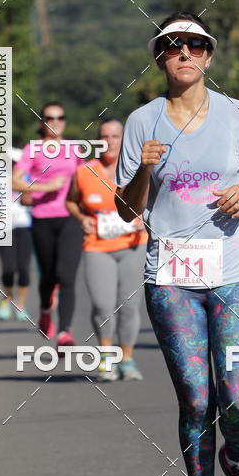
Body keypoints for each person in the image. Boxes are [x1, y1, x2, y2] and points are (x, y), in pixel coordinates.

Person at [115, 11, 239, 476]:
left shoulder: (237, 113)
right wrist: (142, 169)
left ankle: (237, 459)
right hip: (173, 272)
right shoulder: (142, 122)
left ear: (209, 54)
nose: (185, 52)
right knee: (195, 397)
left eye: (196, 44)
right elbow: (125, 210)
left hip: (237, 268)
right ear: (159, 56)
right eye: (173, 44)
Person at [66, 118, 147, 382]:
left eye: (115, 136)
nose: (110, 142)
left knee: (129, 306)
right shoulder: (84, 172)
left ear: (124, 140)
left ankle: (128, 360)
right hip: (98, 247)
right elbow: (71, 201)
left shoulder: (137, 170)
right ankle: (106, 359)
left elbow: (156, 200)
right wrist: (82, 218)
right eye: (104, 136)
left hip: (133, 245)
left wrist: (146, 218)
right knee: (103, 306)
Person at [12, 103, 83, 347]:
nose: (55, 122)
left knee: (66, 275)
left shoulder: (74, 149)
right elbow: (14, 181)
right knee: (49, 276)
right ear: (41, 122)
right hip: (43, 218)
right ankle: (45, 310)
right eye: (50, 118)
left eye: (60, 117)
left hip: (70, 217)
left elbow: (84, 179)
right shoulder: (32, 149)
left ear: (64, 121)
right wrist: (45, 187)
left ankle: (65, 332)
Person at [0, 148, 33, 322]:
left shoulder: (28, 176)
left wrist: (26, 189)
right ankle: (7, 298)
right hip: (3, 227)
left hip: (24, 225)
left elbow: (31, 200)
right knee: (9, 268)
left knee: (24, 269)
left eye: (16, 163)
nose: (13, 165)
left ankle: (21, 304)